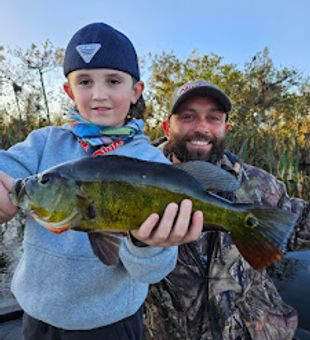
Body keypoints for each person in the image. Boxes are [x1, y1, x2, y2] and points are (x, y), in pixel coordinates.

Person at [0, 23, 203, 340]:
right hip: (37, 317)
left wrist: (147, 244)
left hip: (111, 325)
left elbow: (151, 272)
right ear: (69, 91)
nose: (99, 94)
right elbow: (6, 166)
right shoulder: (43, 144)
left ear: (135, 91)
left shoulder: (152, 164)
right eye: (84, 81)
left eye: (113, 81)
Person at [144, 80, 310, 340]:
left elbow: (298, 223)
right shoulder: (136, 181)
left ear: (226, 128)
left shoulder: (257, 184)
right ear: (167, 127)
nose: (201, 128)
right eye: (188, 117)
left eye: (214, 118)